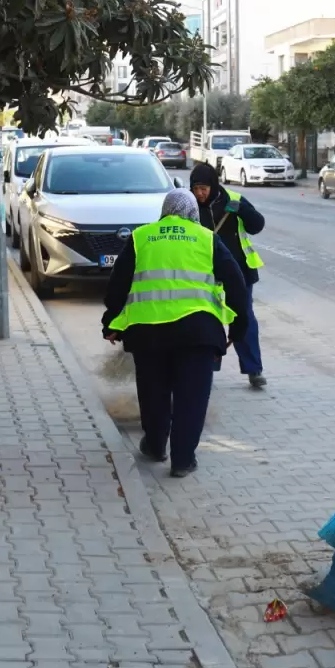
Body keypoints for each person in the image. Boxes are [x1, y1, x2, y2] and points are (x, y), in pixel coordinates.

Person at [102, 189, 248, 478]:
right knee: (191, 398)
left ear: (165, 210)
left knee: (153, 393)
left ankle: (156, 446)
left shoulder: (142, 237)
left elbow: (118, 285)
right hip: (198, 334)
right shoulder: (207, 238)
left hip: (148, 334)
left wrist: (111, 323)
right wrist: (239, 327)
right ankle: (182, 460)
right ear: (193, 212)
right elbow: (236, 283)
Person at [188, 162, 268, 388]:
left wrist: (242, 210)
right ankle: (208, 370)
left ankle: (253, 369)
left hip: (239, 272)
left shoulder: (233, 199)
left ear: (213, 185)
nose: (199, 193)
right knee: (209, 322)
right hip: (205, 274)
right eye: (196, 188)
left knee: (244, 318)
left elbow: (257, 225)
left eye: (203, 188)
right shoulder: (188, 205)